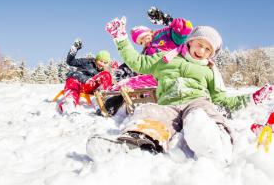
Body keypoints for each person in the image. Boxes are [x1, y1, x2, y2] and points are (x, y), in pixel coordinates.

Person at [105, 16, 273, 163]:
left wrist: (251, 99)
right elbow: (138, 62)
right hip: (168, 105)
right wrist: (121, 39)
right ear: (190, 41)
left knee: (201, 114)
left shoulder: (209, 70)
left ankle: (216, 143)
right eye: (200, 44)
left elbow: (221, 99)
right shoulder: (165, 59)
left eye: (208, 49)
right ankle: (135, 141)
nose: (202, 51)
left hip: (196, 102)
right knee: (150, 111)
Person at [58, 39, 113, 113]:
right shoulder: (86, 62)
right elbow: (70, 62)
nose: (102, 64)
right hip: (79, 84)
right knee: (72, 79)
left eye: (105, 62)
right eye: (101, 61)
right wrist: (74, 50)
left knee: (106, 74)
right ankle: (69, 103)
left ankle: (105, 101)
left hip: (91, 87)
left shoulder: (103, 71)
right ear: (96, 59)